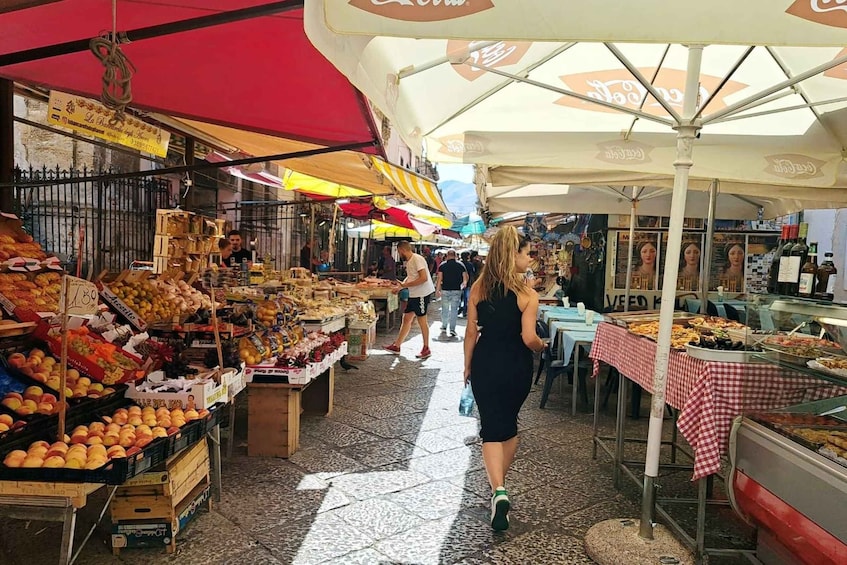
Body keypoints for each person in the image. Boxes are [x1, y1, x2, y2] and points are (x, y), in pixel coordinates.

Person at [464, 226, 545, 531]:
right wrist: (542, 345)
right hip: (516, 365)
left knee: (490, 429)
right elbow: (528, 338)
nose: (530, 259)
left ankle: (498, 489)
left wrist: (467, 365)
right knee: (508, 426)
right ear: (514, 255)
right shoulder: (528, 295)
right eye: (527, 253)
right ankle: (500, 488)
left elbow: (471, 332)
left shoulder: (478, 289)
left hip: (485, 361)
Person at [385, 241, 436, 359]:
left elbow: (423, 278)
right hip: (414, 294)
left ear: (402, 250)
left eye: (398, 251)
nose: (399, 254)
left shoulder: (417, 259)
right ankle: (397, 345)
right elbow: (412, 277)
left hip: (421, 294)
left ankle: (426, 348)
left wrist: (403, 286)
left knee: (422, 320)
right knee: (407, 318)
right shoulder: (410, 261)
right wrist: (401, 285)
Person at [436, 250, 468, 337]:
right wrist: (463, 285)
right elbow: (465, 278)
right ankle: (452, 329)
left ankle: (444, 326)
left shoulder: (442, 265)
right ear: (455, 256)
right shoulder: (461, 265)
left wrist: (437, 289)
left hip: (445, 290)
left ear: (447, 256)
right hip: (456, 290)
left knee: (445, 309)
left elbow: (439, 278)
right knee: (454, 310)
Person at [458, 251, 476, 317]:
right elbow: (472, 274)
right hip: (467, 284)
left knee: (459, 297)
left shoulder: (459, 263)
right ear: (468, 256)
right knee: (466, 298)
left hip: (459, 283)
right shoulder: (470, 264)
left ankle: (459, 309)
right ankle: (464, 311)